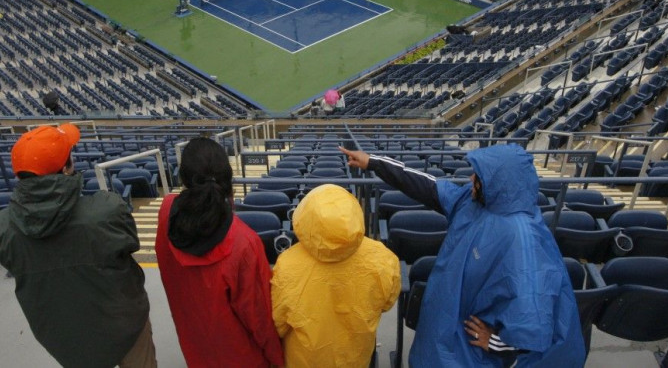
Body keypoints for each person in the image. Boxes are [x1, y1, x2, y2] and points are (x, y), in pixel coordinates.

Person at [339, 144, 586, 367]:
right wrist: (372, 162)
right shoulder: (473, 201)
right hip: (445, 325)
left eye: (477, 176)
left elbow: (536, 319)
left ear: (496, 182)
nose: (471, 178)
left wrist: (497, 343)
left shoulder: (523, 238)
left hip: (470, 353)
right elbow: (429, 187)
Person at [0, 124, 156, 368]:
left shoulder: (1, 226)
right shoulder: (106, 210)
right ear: (67, 168)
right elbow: (131, 243)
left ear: (19, 175)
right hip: (124, 325)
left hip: (63, 338)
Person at [155, 137, 284, 368]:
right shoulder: (244, 243)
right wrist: (278, 360)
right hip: (244, 359)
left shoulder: (166, 212)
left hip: (195, 348)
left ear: (183, 178)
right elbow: (260, 319)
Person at [271, 184, 400, 367]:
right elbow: (387, 303)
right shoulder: (382, 257)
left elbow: (278, 322)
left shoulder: (287, 264)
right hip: (355, 357)